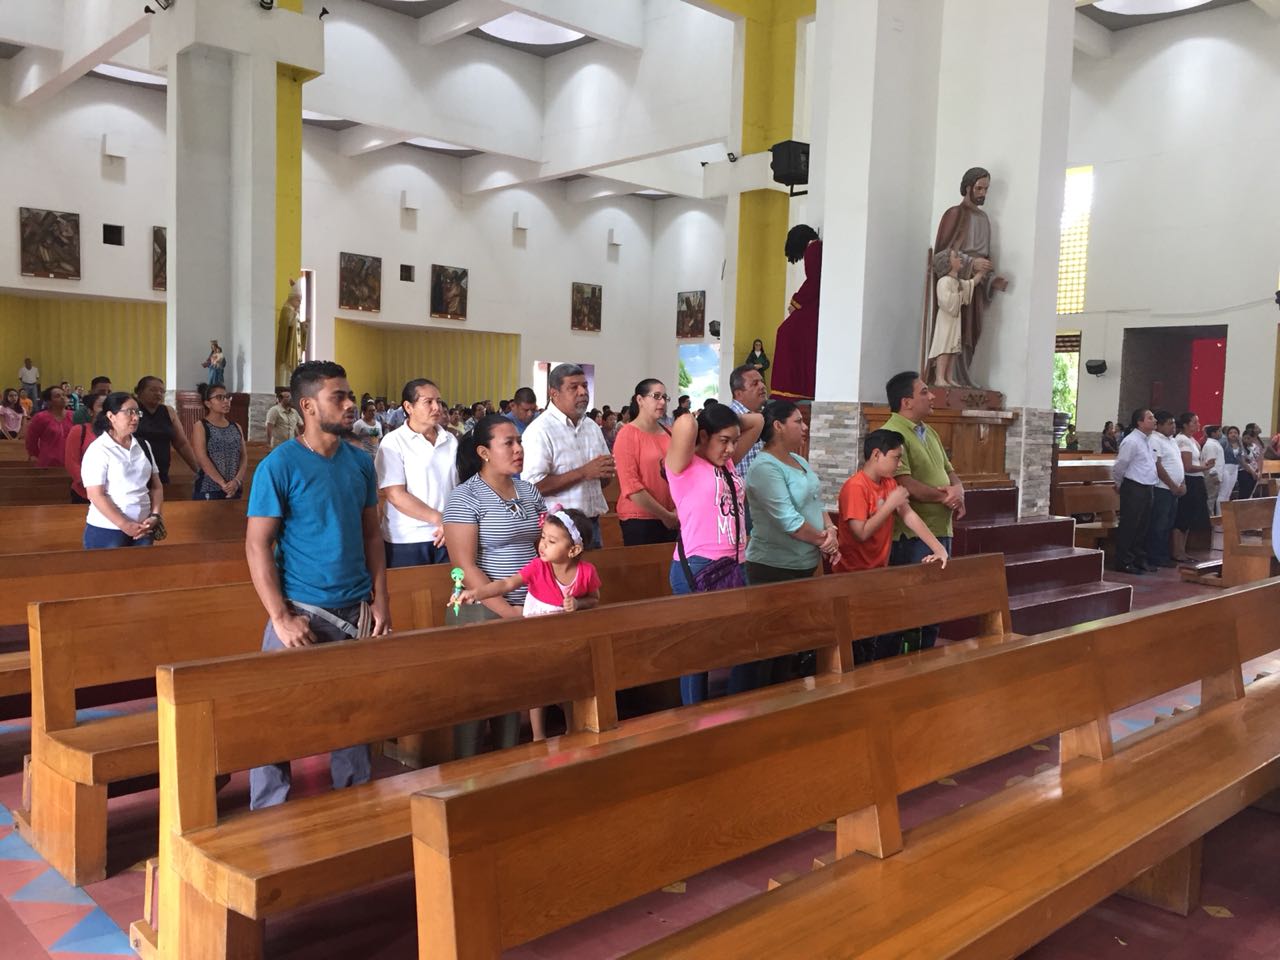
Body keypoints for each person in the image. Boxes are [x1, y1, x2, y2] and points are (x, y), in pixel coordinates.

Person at [244, 361, 390, 809]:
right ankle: (270, 814)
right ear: (308, 406)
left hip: (356, 611)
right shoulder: (280, 466)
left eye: (350, 396)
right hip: (302, 612)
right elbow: (256, 545)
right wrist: (281, 617)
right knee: (275, 723)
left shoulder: (360, 463)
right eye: (338, 398)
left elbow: (371, 534)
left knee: (354, 720)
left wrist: (380, 600)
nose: (351, 405)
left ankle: (354, 807)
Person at [443, 414, 546, 756]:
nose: (519, 449)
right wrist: (507, 612)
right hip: (481, 610)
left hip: (525, 604)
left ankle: (508, 769)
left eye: (519, 442)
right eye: (509, 443)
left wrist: (536, 602)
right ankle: (466, 776)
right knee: (477, 701)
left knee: (512, 697)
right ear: (484, 452)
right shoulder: (465, 496)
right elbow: (464, 565)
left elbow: (542, 549)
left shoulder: (529, 491)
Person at [454, 505, 601, 740]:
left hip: (566, 638)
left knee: (569, 685)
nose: (543, 545)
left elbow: (594, 599)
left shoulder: (586, 573)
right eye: (543, 537)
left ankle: (574, 729)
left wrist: (578, 603)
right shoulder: (537, 567)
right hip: (536, 634)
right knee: (538, 687)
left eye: (552, 541)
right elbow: (506, 584)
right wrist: (477, 593)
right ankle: (538, 736)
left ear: (573, 550)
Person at [665, 401, 764, 705]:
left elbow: (758, 420)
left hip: (736, 564)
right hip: (698, 566)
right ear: (704, 436)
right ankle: (693, 718)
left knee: (749, 643)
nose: (731, 448)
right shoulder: (683, 467)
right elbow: (684, 424)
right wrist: (701, 419)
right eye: (724, 441)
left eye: (735, 441)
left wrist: (726, 423)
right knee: (698, 651)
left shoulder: (728, 463)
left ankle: (734, 707)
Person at [744, 400, 839, 687]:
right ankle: (758, 709)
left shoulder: (799, 460)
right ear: (778, 426)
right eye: (798, 421)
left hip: (805, 563)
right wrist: (826, 542)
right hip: (773, 566)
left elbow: (815, 501)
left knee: (791, 644)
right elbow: (789, 521)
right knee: (768, 648)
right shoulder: (764, 468)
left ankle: (784, 704)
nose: (805, 426)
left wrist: (831, 529)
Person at [836, 429, 949, 662]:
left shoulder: (888, 483)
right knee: (858, 645)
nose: (899, 465)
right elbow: (861, 533)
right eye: (896, 457)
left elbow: (909, 516)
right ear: (877, 454)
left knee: (875, 640)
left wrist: (938, 548)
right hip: (853, 577)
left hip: (878, 573)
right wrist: (890, 505)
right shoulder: (856, 486)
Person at [881, 372, 965, 649]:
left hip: (941, 530)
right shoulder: (892, 434)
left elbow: (950, 472)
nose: (932, 397)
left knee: (934, 606)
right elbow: (906, 485)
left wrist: (959, 490)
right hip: (913, 537)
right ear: (906, 401)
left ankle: (926, 663)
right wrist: (946, 498)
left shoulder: (929, 431)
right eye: (925, 392)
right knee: (909, 610)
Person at [931, 167, 1010, 387]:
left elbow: (985, 257)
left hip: (974, 286)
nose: (983, 193)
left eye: (986, 188)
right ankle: (943, 377)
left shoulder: (984, 219)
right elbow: (942, 255)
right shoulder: (955, 214)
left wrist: (991, 279)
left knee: (969, 333)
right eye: (979, 188)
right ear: (967, 187)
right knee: (951, 334)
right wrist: (971, 263)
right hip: (956, 284)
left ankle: (959, 376)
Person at [521, 363, 615, 549]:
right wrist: (584, 472)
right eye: (573, 387)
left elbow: (602, 479)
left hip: (592, 524)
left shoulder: (591, 427)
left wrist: (604, 474)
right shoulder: (540, 430)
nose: (582, 392)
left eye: (585, 386)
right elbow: (532, 489)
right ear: (554, 393)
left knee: (590, 578)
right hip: (558, 529)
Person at [375, 378, 457, 568]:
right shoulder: (393, 442)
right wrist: (440, 519)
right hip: (408, 538)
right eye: (428, 402)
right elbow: (396, 495)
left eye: (438, 401)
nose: (437, 407)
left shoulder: (450, 439)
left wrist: (451, 522)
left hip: (448, 533)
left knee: (450, 594)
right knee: (411, 593)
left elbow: (458, 486)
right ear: (408, 407)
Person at [80, 392, 163, 549]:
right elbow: (95, 494)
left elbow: (156, 486)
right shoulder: (99, 449)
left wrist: (155, 516)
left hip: (144, 527)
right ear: (111, 416)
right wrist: (125, 525)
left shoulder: (143, 445)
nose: (136, 417)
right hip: (107, 528)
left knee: (142, 572)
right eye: (129, 412)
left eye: (137, 412)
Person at [613, 379, 679, 545]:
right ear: (640, 400)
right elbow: (631, 486)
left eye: (665, 397)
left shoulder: (670, 433)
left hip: (674, 516)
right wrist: (665, 516)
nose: (662, 402)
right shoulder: (627, 434)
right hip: (640, 519)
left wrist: (676, 512)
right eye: (656, 396)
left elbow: (682, 473)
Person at [772, 224, 822, 401]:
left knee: (785, 332)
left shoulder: (813, 249)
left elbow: (814, 281)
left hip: (812, 305)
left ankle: (790, 387)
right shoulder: (815, 248)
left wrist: (796, 302)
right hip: (814, 304)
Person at [928, 249, 987, 387]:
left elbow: (970, 285)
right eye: (956, 257)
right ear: (948, 262)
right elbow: (945, 301)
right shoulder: (944, 281)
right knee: (945, 346)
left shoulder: (957, 282)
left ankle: (948, 377)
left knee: (954, 347)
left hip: (954, 320)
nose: (960, 259)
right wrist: (958, 296)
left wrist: (981, 273)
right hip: (946, 320)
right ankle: (939, 377)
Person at [1111, 408, 1158, 574]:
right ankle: (1124, 561)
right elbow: (1120, 465)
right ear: (1139, 422)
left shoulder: (1148, 440)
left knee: (1143, 526)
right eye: (1150, 418)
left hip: (1147, 486)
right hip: (1134, 486)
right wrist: (1118, 483)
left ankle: (1138, 559)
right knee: (1130, 525)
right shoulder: (1131, 441)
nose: (1154, 420)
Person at [134, 375, 199, 484]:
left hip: (161, 471)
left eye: (162, 391)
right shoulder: (132, 410)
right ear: (139, 392)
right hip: (135, 472)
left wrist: (198, 470)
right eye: (153, 390)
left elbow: (181, 443)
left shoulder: (169, 411)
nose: (158, 393)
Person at [190, 382, 246, 500]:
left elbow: (243, 457)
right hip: (209, 487)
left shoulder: (236, 427)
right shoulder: (201, 426)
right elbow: (202, 458)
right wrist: (223, 484)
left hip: (234, 488)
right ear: (208, 403)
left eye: (227, 397)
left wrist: (236, 481)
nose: (226, 401)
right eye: (220, 398)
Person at [1172, 412, 1214, 563]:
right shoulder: (1182, 440)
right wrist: (1205, 467)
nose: (1198, 424)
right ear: (1185, 424)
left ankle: (1183, 550)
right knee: (1182, 516)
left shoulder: (1191, 440)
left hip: (1196, 480)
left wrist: (1204, 466)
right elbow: (1188, 466)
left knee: (1189, 517)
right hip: (1189, 480)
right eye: (1195, 422)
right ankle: (1177, 551)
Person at [1145, 411, 1185, 570]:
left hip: (1174, 489)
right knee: (1159, 524)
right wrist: (1172, 485)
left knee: (1168, 523)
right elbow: (1158, 465)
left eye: (1174, 423)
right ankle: (1155, 557)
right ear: (1159, 425)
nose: (1173, 426)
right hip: (1162, 488)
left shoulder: (1172, 441)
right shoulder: (1155, 439)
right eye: (1170, 423)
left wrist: (1182, 483)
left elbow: (1178, 463)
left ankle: (1164, 555)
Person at [65, 391, 108, 503]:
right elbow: (72, 462)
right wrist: (90, 484)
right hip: (84, 492)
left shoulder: (118, 432)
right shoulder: (79, 430)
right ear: (90, 411)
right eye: (101, 406)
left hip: (112, 493)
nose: (106, 410)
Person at [24, 385, 72, 467]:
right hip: (48, 462)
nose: (62, 398)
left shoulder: (74, 416)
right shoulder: (40, 417)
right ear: (49, 401)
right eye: (57, 396)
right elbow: (31, 440)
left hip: (71, 462)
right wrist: (34, 455)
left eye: (64, 395)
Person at [1201, 425, 1224, 516]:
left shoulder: (1214, 443)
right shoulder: (1210, 445)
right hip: (1212, 476)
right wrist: (1214, 475)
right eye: (1219, 431)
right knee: (1210, 498)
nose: (1220, 433)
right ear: (1213, 433)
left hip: (1215, 474)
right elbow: (1210, 461)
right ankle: (1209, 519)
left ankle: (1211, 518)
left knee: (1213, 498)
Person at [1220, 426, 1242, 511]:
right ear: (1227, 434)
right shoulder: (1224, 443)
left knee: (1229, 492)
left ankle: (1226, 513)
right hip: (1226, 467)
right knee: (1223, 492)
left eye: (1235, 433)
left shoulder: (1240, 443)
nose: (1233, 434)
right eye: (1231, 433)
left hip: (1235, 468)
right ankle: (1219, 514)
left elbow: (1241, 457)